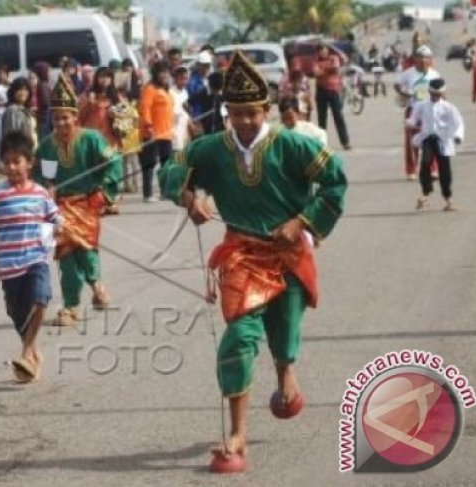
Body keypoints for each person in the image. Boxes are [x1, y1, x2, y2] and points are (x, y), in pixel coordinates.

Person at [158, 49, 347, 469]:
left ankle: (285, 371)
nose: (244, 121)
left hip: (288, 254)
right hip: (241, 256)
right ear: (227, 112)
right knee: (240, 338)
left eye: (252, 113)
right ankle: (238, 433)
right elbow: (171, 170)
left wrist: (300, 223)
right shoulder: (211, 149)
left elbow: (335, 184)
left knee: (284, 328)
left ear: (266, 110)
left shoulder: (295, 146)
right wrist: (191, 197)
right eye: (236, 113)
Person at [0, 131, 63, 382]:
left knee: (40, 300)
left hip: (35, 260)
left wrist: (61, 226)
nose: (11, 167)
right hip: (9, 267)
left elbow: (55, 216)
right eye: (7, 162)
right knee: (17, 314)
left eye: (16, 161)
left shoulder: (41, 193)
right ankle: (32, 354)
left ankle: (25, 351)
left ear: (29, 162)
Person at [34, 75, 121, 327]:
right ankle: (71, 305)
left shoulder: (91, 139)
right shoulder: (48, 146)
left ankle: (95, 283)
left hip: (87, 202)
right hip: (61, 207)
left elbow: (113, 162)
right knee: (66, 253)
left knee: (86, 248)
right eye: (57, 117)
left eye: (66, 117)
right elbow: (45, 175)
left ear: (75, 116)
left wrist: (105, 192)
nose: (61, 123)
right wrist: (47, 187)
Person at [407, 78, 464, 212]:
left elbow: (459, 123)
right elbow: (414, 118)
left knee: (445, 170)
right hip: (428, 138)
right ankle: (425, 193)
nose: (435, 96)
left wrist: (457, 136)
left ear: (442, 93)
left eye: (438, 94)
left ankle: (448, 198)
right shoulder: (421, 105)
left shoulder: (449, 107)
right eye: (433, 93)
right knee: (425, 163)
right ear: (429, 92)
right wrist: (410, 122)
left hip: (443, 140)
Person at [79, 66, 122, 214]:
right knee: (95, 173)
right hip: (92, 142)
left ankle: (111, 201)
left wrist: (116, 116)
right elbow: (78, 118)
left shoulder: (117, 98)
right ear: (96, 78)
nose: (104, 80)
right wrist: (89, 105)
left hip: (110, 141)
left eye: (108, 77)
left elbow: (129, 122)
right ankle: (98, 203)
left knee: (111, 170)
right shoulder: (88, 96)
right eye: (101, 76)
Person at [394, 45, 440, 180]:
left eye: (426, 58)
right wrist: (403, 92)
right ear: (415, 59)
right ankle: (411, 170)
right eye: (420, 57)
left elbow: (441, 91)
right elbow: (397, 84)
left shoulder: (434, 74)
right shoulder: (408, 73)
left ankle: (432, 169)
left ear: (430, 59)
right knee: (411, 142)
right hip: (413, 111)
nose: (423, 60)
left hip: (430, 111)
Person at [139, 61, 174, 202]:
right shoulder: (150, 88)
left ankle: (165, 192)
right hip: (152, 132)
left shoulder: (165, 89)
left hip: (166, 133)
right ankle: (147, 194)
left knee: (166, 164)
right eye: (161, 72)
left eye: (166, 71)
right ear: (155, 73)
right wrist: (148, 126)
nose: (164, 75)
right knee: (149, 163)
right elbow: (144, 108)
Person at [313, 42, 351, 150]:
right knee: (322, 118)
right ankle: (322, 143)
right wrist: (328, 70)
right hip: (321, 91)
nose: (322, 52)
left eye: (324, 49)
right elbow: (316, 73)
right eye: (320, 50)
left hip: (333, 90)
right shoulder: (316, 62)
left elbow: (335, 69)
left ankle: (345, 142)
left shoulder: (333, 58)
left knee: (338, 116)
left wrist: (323, 70)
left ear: (327, 50)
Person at [2, 77, 37, 146]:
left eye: (25, 89)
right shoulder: (12, 110)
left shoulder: (25, 110)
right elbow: (11, 136)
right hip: (20, 151)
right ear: (13, 92)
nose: (23, 92)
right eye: (19, 89)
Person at [170, 66, 191, 159]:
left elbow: (186, 111)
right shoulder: (170, 92)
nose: (184, 81)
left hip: (184, 130)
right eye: (181, 79)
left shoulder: (185, 92)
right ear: (175, 79)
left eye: (186, 79)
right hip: (175, 131)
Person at [187, 51, 213, 118]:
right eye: (204, 65)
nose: (206, 68)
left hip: (210, 116)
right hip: (199, 117)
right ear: (198, 65)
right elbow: (190, 102)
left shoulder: (211, 79)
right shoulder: (192, 82)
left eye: (207, 65)